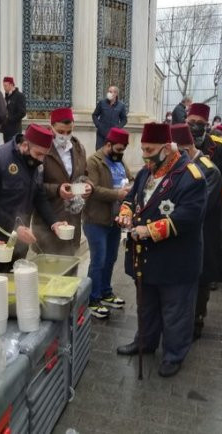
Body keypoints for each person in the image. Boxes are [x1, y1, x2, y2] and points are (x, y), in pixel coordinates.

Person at [115, 123, 207, 377]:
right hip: (144, 257)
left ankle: (174, 354)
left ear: (166, 149)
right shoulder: (147, 171)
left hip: (175, 259)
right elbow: (131, 198)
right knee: (146, 305)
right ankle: (144, 341)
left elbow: (189, 216)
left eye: (149, 149)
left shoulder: (191, 176)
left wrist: (149, 230)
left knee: (175, 310)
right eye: (143, 148)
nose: (145, 154)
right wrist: (126, 213)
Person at [0, 124, 68, 282]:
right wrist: (14, 227)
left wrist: (54, 223)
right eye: (38, 154)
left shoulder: (36, 164)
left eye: (45, 156)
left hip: (19, 238)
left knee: (16, 285)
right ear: (24, 145)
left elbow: (39, 196)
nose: (41, 160)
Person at [171, 123, 222, 339]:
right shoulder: (178, 167)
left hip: (203, 235)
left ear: (186, 149)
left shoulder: (208, 170)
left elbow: (197, 205)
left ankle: (196, 321)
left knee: (200, 279)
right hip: (180, 234)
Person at [83, 127, 133, 318]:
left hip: (114, 219)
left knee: (111, 258)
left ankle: (106, 292)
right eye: (118, 149)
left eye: (123, 150)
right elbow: (92, 189)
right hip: (96, 219)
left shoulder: (119, 161)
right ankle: (92, 299)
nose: (120, 154)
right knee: (98, 259)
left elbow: (129, 177)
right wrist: (117, 194)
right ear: (108, 145)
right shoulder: (94, 162)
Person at [32, 107, 91, 255]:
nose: (65, 136)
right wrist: (57, 190)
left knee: (71, 272)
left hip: (73, 222)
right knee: (49, 272)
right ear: (51, 128)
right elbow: (33, 186)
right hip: (49, 221)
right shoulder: (42, 149)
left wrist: (88, 186)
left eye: (69, 132)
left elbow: (84, 175)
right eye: (60, 132)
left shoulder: (78, 149)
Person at [186, 103, 222, 207]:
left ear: (206, 125)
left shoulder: (218, 146)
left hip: (211, 206)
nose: (195, 127)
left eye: (200, 123)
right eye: (191, 122)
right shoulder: (177, 144)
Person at [92, 85, 128, 150]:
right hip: (101, 134)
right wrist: (98, 125)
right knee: (100, 153)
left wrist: (118, 128)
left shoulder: (121, 105)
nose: (109, 93)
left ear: (116, 94)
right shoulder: (102, 103)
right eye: (109, 91)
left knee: (111, 153)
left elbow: (124, 119)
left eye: (111, 92)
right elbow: (94, 115)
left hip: (113, 135)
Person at [1, 76, 27, 144]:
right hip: (6, 131)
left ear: (11, 85)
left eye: (5, 86)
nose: (4, 88)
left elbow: (22, 112)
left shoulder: (19, 96)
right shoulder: (6, 97)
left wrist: (10, 119)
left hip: (15, 131)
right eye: (3, 85)